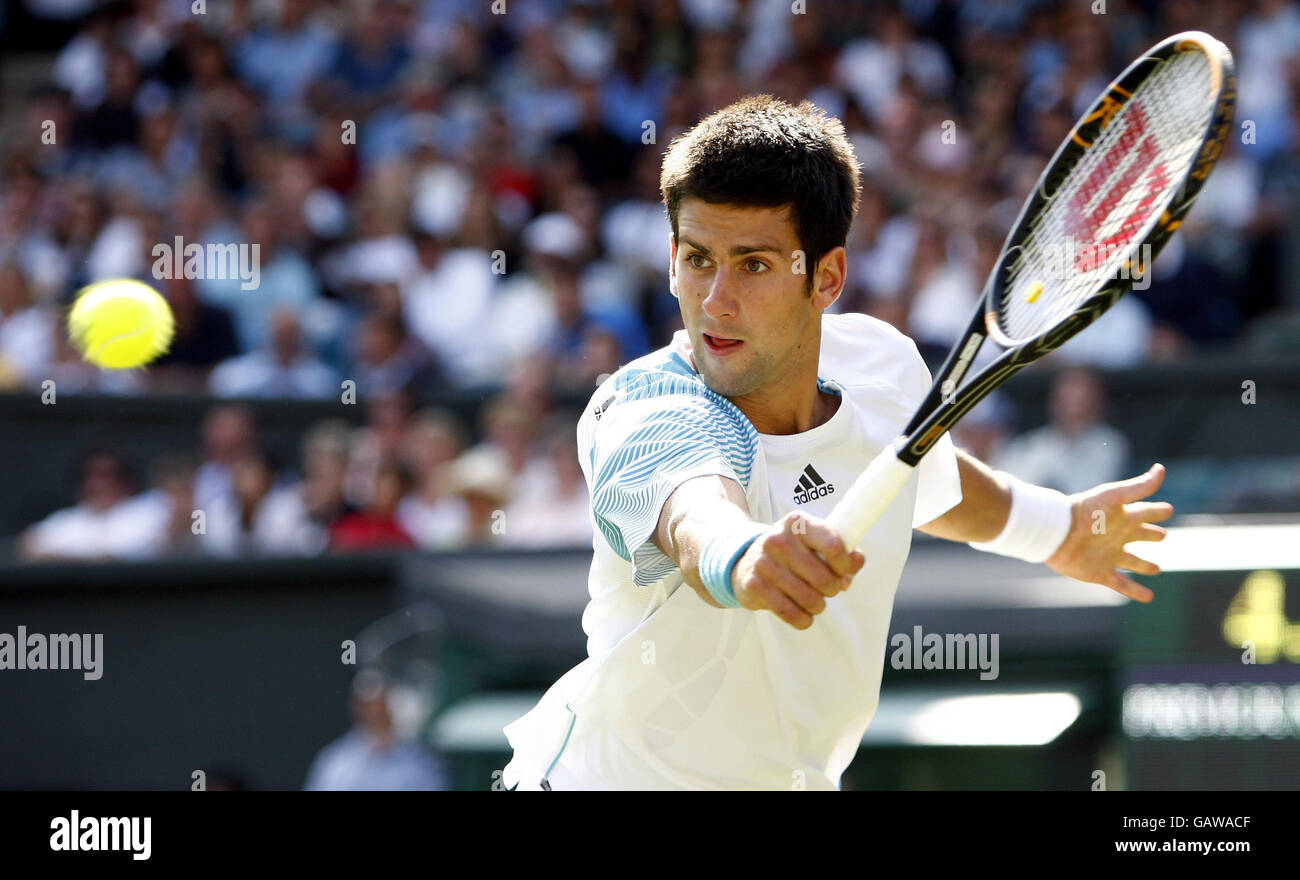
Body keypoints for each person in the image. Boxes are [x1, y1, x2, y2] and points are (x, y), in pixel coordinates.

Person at [502, 96, 1172, 791]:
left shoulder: (882, 368)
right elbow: (694, 515)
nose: (716, 299)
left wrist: (1056, 529)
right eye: (698, 259)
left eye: (754, 264)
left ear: (826, 277)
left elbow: (926, 481)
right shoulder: (645, 410)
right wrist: (748, 557)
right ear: (671, 260)